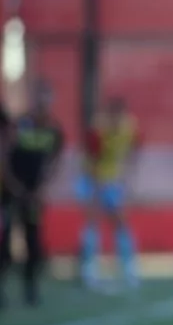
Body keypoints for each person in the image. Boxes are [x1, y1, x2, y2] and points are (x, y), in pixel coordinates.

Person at [0, 82, 64, 309]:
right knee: (4, 241)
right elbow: (5, 155)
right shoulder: (20, 125)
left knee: (32, 241)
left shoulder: (54, 130)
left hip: (34, 196)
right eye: (38, 99)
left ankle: (31, 289)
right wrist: (12, 184)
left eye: (46, 100)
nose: (42, 105)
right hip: (10, 193)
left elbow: (56, 161)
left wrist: (42, 187)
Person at [77, 96, 141, 290]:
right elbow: (91, 157)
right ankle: (88, 269)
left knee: (120, 221)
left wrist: (127, 179)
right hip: (92, 179)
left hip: (112, 180)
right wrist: (96, 186)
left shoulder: (129, 127)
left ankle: (129, 268)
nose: (117, 118)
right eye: (114, 114)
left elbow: (133, 151)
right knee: (93, 220)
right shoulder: (98, 129)